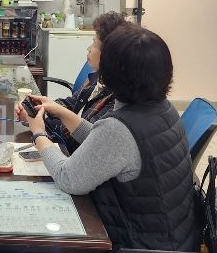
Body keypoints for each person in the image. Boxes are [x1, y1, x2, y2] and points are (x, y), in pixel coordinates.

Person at [17, 25, 200, 251]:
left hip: (136, 245)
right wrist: (62, 112)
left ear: (110, 72)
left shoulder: (119, 129)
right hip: (173, 239)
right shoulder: (164, 109)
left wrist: (38, 133)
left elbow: (67, 178)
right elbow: (102, 142)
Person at [40, 11, 129, 152]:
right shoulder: (97, 80)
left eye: (94, 43)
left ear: (109, 54)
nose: (89, 48)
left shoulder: (115, 101)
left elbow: (83, 139)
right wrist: (41, 108)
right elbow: (71, 103)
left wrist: (41, 123)